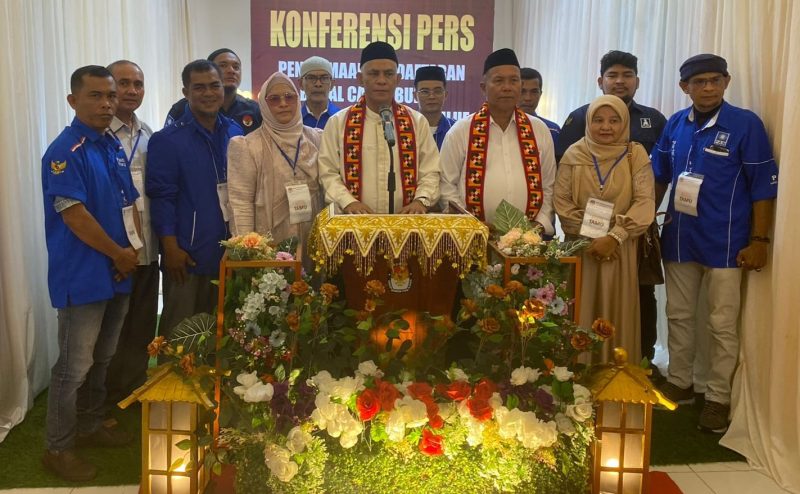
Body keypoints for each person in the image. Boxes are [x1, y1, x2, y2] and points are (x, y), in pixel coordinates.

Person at [653, 54, 778, 433]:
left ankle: (718, 397)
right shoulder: (675, 124)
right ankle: (680, 381)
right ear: (684, 87)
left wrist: (760, 240)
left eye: (715, 80)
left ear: (726, 81)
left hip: (727, 240)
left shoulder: (745, 124)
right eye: (699, 82)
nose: (708, 88)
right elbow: (659, 177)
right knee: (678, 314)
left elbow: (762, 188)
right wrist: (643, 223)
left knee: (721, 323)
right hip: (679, 236)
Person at [40, 65, 140, 481]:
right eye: (96, 96)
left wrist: (132, 250)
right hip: (83, 273)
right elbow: (74, 215)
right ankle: (57, 449)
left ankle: (91, 424)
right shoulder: (65, 151)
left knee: (103, 357)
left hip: (118, 269)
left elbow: (128, 201)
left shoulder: (110, 145)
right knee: (73, 366)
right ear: (73, 101)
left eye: (111, 96)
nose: (106, 103)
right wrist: (119, 253)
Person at [555, 50, 667, 369]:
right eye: (599, 120)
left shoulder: (636, 155)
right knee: (581, 310)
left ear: (625, 122)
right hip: (583, 249)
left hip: (623, 251)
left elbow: (645, 202)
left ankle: (619, 379)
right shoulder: (575, 154)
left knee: (621, 313)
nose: (606, 126)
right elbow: (563, 203)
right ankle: (575, 382)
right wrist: (592, 239)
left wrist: (615, 236)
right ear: (589, 121)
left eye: (614, 119)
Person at [147, 60, 243, 336]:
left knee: (224, 335)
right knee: (182, 335)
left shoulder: (235, 132)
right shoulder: (168, 140)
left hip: (230, 252)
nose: (209, 93)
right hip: (188, 255)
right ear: (185, 92)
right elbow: (162, 197)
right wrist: (170, 248)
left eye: (214, 86)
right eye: (199, 87)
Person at [439, 48, 556, 234]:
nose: (507, 87)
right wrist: (471, 225)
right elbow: (446, 185)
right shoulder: (461, 131)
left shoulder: (538, 130)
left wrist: (539, 224)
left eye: (514, 80)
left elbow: (548, 185)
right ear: (483, 87)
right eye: (499, 81)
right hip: (474, 236)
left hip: (528, 240)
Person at [318, 41, 440, 214]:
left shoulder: (416, 122)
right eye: (374, 74)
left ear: (398, 79)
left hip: (406, 225)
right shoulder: (339, 123)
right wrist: (348, 202)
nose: (381, 80)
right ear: (360, 79)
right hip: (355, 224)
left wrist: (421, 201)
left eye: (388, 74)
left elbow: (431, 171)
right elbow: (327, 172)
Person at [104, 60, 159, 405]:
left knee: (140, 325)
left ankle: (134, 390)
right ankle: (104, 398)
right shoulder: (97, 135)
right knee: (111, 331)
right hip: (113, 252)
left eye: (137, 84)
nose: (131, 91)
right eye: (123, 84)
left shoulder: (148, 134)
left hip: (147, 247)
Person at [228, 72, 323, 259]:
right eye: (274, 99)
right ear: (263, 103)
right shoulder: (248, 145)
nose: (283, 103)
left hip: (314, 233)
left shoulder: (317, 138)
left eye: (289, 97)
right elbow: (240, 204)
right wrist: (248, 251)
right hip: (269, 240)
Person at [165, 48, 261, 134]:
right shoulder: (182, 108)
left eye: (236, 67)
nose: (231, 71)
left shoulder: (254, 109)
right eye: (223, 66)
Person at [414, 65, 455, 150]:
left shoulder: (456, 129)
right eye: (425, 91)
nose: (431, 96)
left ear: (445, 95)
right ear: (415, 96)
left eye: (437, 91)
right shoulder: (405, 129)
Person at [519, 67, 561, 144]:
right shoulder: (501, 128)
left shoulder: (552, 130)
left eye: (534, 92)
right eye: (522, 91)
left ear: (540, 94)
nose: (528, 98)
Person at [299, 56, 340, 129]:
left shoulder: (343, 118)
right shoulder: (294, 121)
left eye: (324, 78)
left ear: (332, 84)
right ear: (301, 84)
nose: (318, 84)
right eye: (311, 78)